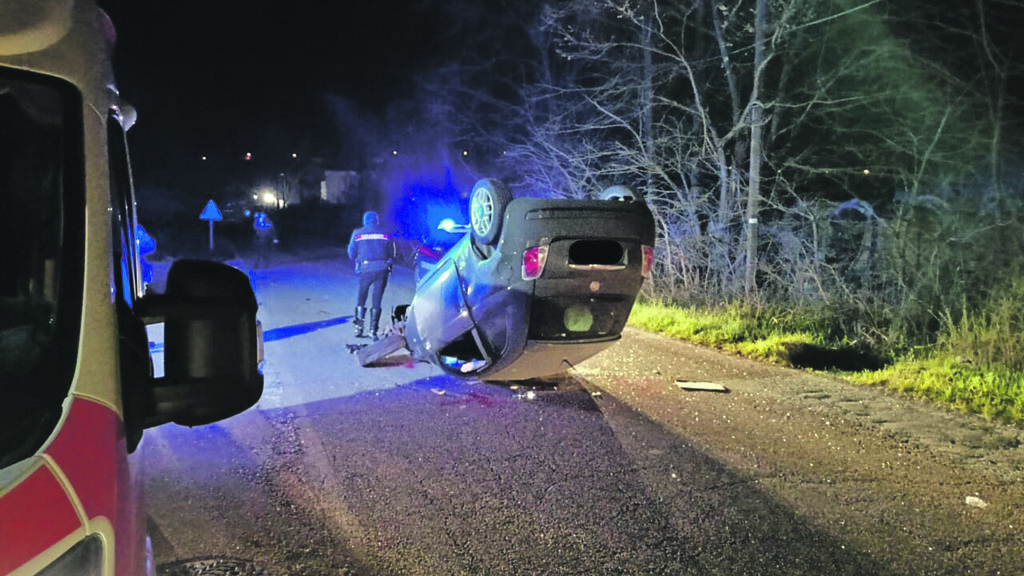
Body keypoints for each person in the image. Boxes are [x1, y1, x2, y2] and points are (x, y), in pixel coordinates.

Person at [347, 210, 397, 340]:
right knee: (377, 299)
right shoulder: (386, 233)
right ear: (377, 220)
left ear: (364, 220)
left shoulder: (357, 234)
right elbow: (392, 253)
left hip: (365, 269)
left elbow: (351, 254)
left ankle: (359, 328)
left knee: (362, 297)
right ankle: (372, 331)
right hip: (382, 269)